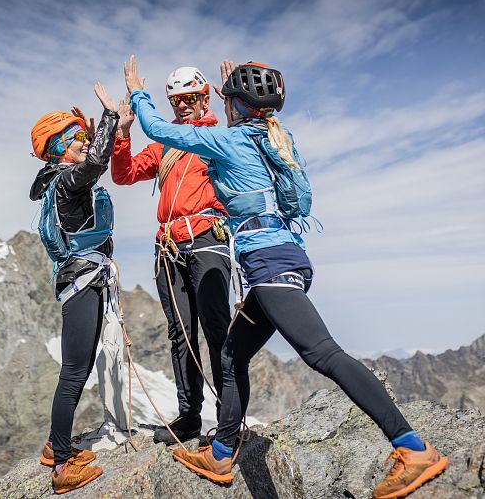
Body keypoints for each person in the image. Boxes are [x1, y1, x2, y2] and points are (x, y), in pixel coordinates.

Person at [123, 56, 448, 499]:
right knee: (232, 356)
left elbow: (160, 131)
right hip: (282, 259)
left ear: (233, 103)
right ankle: (221, 453)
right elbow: (299, 206)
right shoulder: (279, 139)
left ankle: (412, 448)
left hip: (269, 266)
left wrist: (138, 92)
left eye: (226, 99)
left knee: (323, 355)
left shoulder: (230, 141)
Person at [111, 67, 231, 444]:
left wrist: (234, 108)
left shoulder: (217, 137)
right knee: (180, 334)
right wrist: (123, 132)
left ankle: (229, 420)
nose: (182, 106)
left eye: (190, 98)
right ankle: (189, 417)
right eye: (176, 100)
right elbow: (124, 174)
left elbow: (246, 148)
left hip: (207, 240)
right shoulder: (165, 145)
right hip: (169, 248)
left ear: (204, 99)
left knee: (216, 330)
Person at [29, 83, 119, 495]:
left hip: (82, 279)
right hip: (83, 281)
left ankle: (55, 446)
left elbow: (92, 158)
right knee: (74, 373)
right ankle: (62, 465)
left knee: (76, 370)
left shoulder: (60, 181)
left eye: (84, 136)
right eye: (76, 138)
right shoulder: (67, 182)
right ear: (59, 147)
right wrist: (110, 118)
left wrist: (96, 128)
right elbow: (97, 162)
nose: (83, 142)